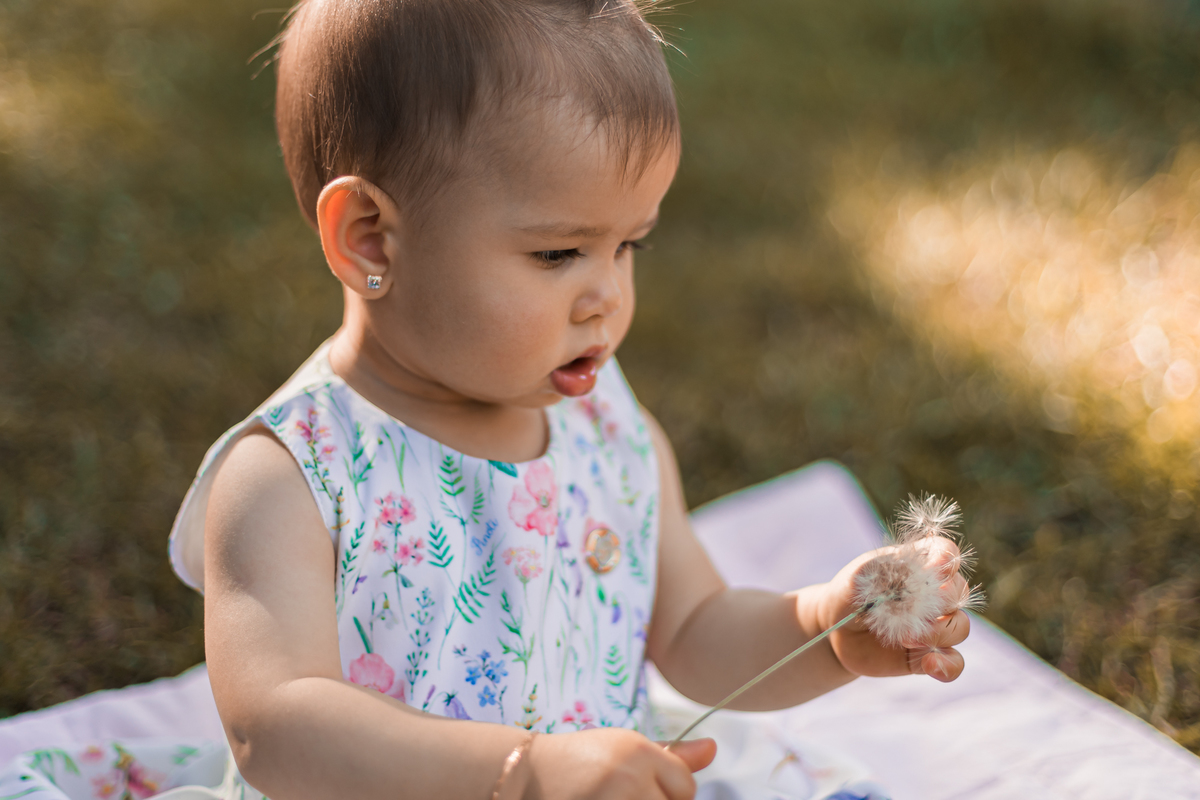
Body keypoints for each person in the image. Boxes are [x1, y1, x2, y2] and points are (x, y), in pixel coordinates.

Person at [160, 1, 973, 798]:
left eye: (628, 245)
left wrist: (826, 631)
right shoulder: (291, 476)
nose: (606, 297)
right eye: (558, 253)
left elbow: (695, 628)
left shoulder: (604, 423)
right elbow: (277, 726)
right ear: (369, 237)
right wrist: (523, 772)